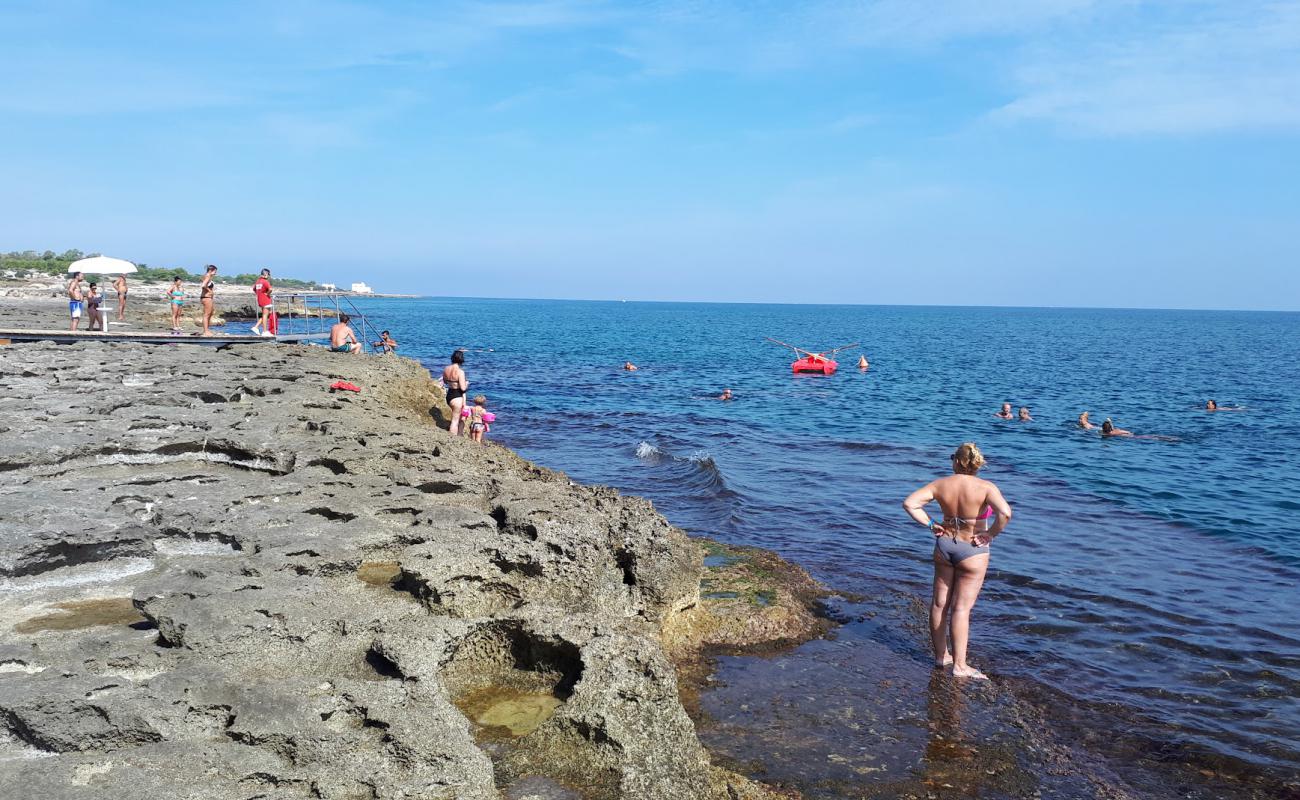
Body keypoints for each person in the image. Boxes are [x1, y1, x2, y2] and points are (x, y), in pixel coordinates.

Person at [902, 442, 1012, 680]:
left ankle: (941, 656)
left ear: (957, 462)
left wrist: (931, 524)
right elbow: (1005, 513)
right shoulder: (986, 487)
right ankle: (960, 666)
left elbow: (910, 503)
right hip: (972, 550)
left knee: (939, 604)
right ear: (975, 464)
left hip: (945, 545)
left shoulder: (941, 484)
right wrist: (990, 534)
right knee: (961, 609)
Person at [442, 350, 469, 435]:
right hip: (457, 396)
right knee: (455, 420)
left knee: (454, 417)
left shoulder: (446, 369)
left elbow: (445, 381)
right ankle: (453, 439)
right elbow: (463, 388)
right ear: (461, 359)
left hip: (449, 395)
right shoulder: (460, 372)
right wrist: (467, 384)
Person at [251, 268, 273, 337]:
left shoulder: (258, 281)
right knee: (265, 315)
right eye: (268, 274)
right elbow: (270, 289)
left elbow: (254, 289)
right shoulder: (265, 281)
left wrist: (260, 294)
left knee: (266, 314)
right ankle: (264, 331)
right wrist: (267, 294)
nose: (269, 276)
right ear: (266, 274)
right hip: (265, 300)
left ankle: (256, 327)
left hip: (260, 300)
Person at [199, 264, 218, 336]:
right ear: (210, 270)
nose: (216, 273)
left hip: (207, 298)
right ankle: (206, 331)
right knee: (206, 315)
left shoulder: (207, 276)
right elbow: (203, 285)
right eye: (215, 271)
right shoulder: (208, 276)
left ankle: (207, 330)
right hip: (206, 298)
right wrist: (210, 291)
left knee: (210, 313)